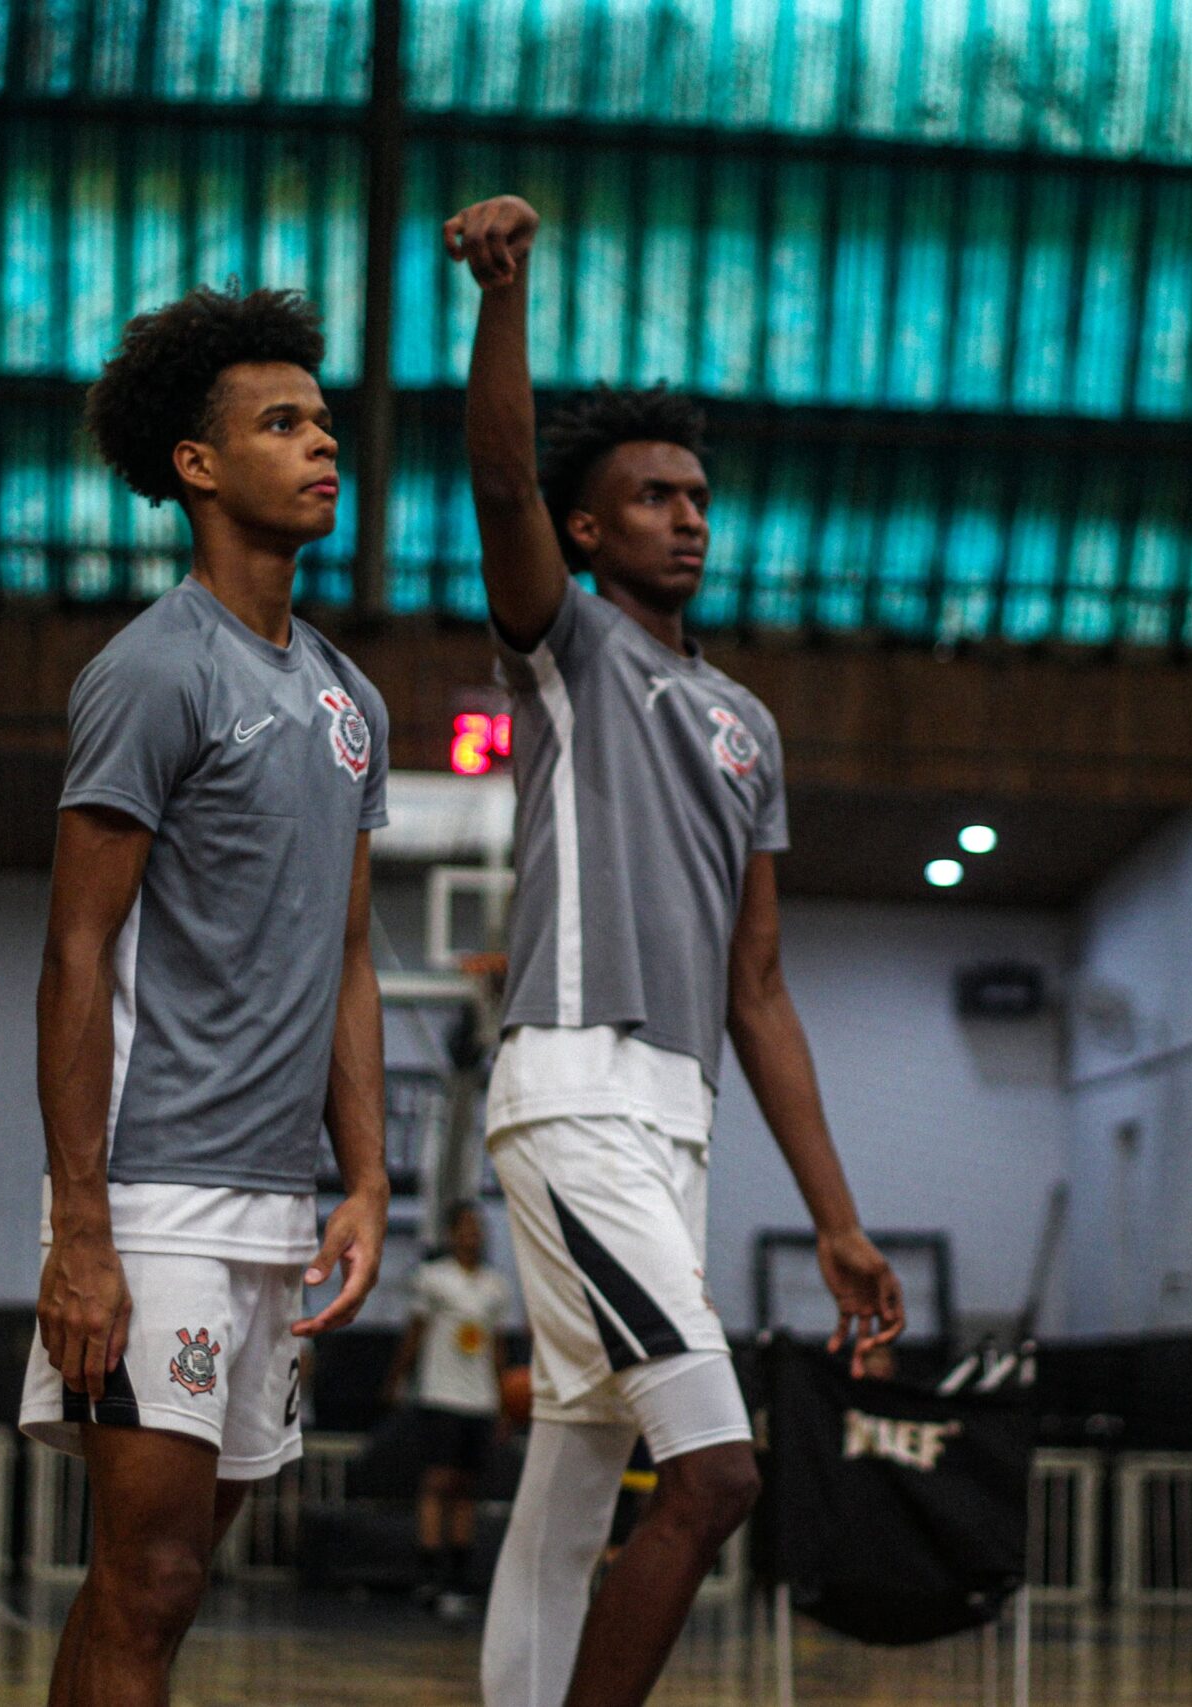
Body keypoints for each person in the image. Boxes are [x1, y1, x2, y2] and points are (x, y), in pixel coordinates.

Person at [446, 192, 907, 1707]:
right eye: (652, 496)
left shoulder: (751, 724)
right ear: (591, 531)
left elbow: (759, 987)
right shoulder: (568, 648)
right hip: (572, 1095)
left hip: (680, 1122)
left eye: (698, 495)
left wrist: (836, 1216)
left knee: (576, 1485)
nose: (686, 514)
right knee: (714, 1472)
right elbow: (504, 477)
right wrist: (504, 297)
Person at [18, 284, 392, 1707]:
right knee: (149, 1576)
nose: (323, 445)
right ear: (197, 463)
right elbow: (72, 954)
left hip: (278, 1213)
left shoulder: (352, 698)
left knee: (164, 1586)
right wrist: (80, 1228)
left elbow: (347, 954)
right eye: (282, 422)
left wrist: (365, 1179)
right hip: (152, 1195)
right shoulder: (152, 670)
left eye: (325, 421)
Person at [386, 1202, 514, 1616]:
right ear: (451, 1233)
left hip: (479, 1400)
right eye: (465, 1227)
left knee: (466, 1486)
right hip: (441, 1395)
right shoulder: (433, 1279)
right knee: (437, 1482)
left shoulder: (495, 1286)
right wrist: (397, 1378)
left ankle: (459, 1576)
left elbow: (498, 1347)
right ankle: (428, 1573)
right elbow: (416, 1332)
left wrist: (503, 1401)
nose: (473, 1235)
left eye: (479, 1228)